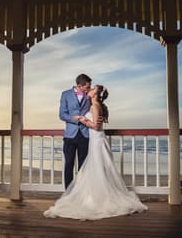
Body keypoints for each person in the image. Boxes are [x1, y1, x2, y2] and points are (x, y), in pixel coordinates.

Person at [45, 85, 148, 220]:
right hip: (94, 140)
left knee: (97, 168)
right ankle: (92, 195)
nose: (89, 90)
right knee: (94, 169)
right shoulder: (94, 104)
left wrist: (84, 120)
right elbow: (69, 115)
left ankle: (97, 198)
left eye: (92, 89)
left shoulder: (94, 106)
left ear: (95, 93)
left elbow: (96, 126)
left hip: (96, 140)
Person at [59, 73, 95, 190]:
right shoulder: (65, 94)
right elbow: (62, 114)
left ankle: (81, 192)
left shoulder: (89, 96)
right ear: (79, 85)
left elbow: (97, 107)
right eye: (87, 87)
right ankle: (68, 192)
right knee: (69, 164)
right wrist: (77, 118)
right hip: (70, 135)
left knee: (83, 166)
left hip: (85, 134)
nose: (89, 89)